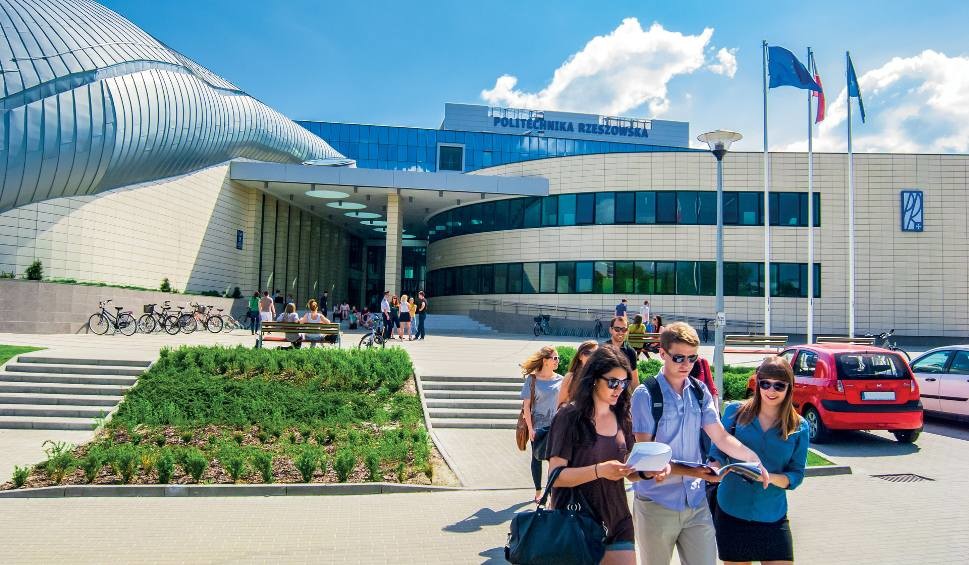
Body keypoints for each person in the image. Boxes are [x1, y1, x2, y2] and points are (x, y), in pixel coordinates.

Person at [630, 322, 769, 565]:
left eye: (692, 358)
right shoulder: (645, 393)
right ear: (662, 353)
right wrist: (696, 471)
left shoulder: (699, 390)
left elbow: (721, 437)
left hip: (696, 501)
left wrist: (754, 460)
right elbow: (648, 458)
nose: (686, 364)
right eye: (679, 358)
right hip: (656, 503)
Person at [546, 344, 655, 564]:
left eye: (624, 382)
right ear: (594, 379)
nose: (619, 388)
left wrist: (647, 472)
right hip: (576, 521)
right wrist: (599, 470)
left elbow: (628, 469)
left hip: (617, 520)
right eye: (613, 382)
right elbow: (555, 476)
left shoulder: (624, 416)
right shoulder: (568, 417)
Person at [708, 356, 809, 565]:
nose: (771, 391)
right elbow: (717, 449)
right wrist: (714, 467)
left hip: (772, 515)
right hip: (731, 511)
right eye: (765, 384)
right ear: (758, 383)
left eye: (779, 386)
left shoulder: (799, 426)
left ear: (789, 387)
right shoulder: (735, 412)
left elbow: (796, 475)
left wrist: (768, 477)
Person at [519, 346, 564, 504]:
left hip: (556, 427)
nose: (558, 361)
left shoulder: (561, 380)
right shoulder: (532, 380)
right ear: (545, 361)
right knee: (537, 458)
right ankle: (538, 491)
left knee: (554, 461)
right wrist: (530, 429)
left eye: (558, 358)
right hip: (538, 427)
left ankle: (551, 494)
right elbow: (526, 406)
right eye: (555, 358)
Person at [557, 340, 598, 407]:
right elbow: (560, 404)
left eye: (595, 354)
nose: (591, 356)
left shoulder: (600, 377)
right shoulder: (570, 377)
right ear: (580, 356)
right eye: (587, 353)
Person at [601, 316, 638, 382]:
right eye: (617, 329)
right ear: (611, 330)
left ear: (627, 331)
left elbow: (634, 381)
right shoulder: (602, 350)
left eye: (624, 329)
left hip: (623, 387)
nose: (621, 332)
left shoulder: (630, 352)